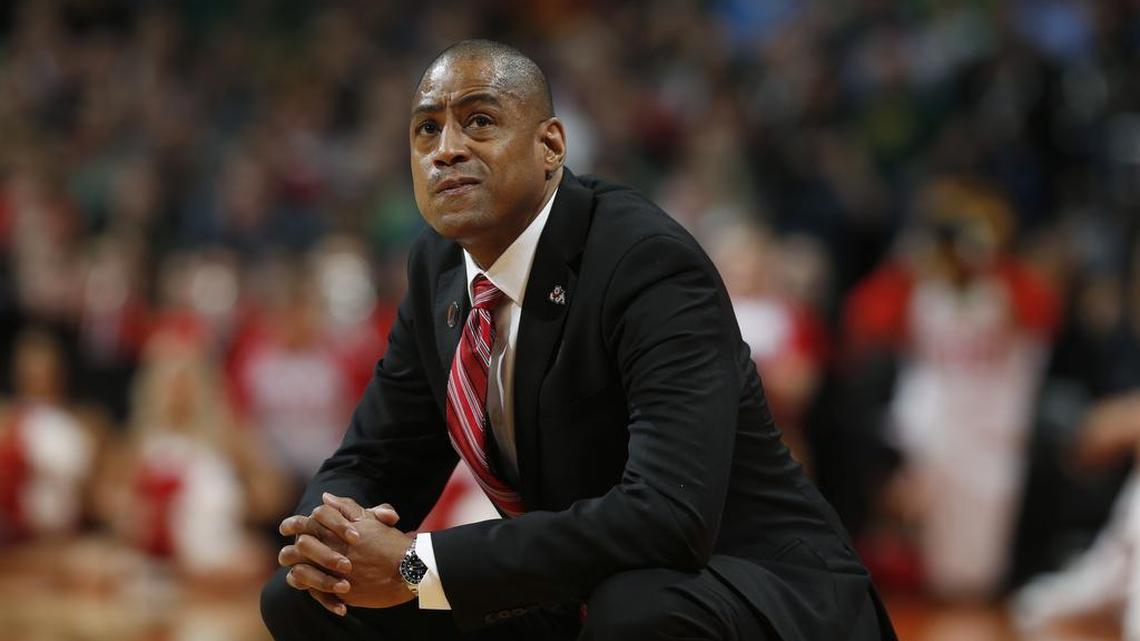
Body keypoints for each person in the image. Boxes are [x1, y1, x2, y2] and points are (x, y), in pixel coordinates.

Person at [260, 39, 896, 641]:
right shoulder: (437, 269)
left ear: (551, 146)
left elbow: (668, 520)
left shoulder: (645, 261)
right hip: (586, 584)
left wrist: (414, 568)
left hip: (754, 586)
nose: (446, 148)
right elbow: (374, 460)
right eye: (427, 128)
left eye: (479, 121)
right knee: (307, 597)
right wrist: (328, 539)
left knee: (638, 611)